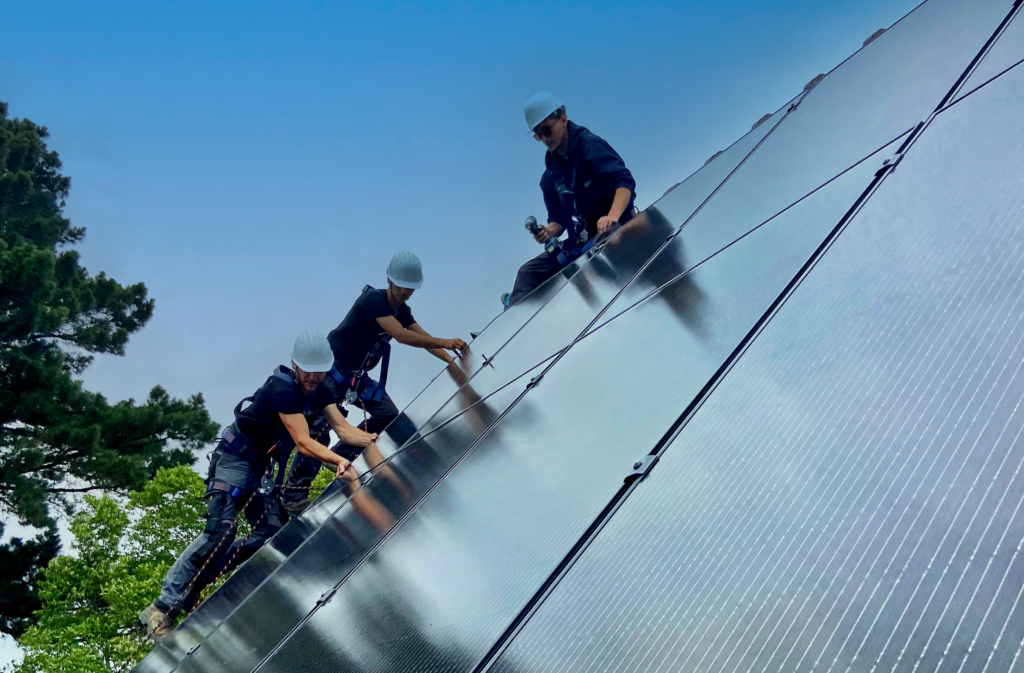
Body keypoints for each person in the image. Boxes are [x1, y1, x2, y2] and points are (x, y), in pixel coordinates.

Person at [139, 332, 379, 639]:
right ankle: (161, 608)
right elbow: (303, 443)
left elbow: (343, 429)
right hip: (235, 459)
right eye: (308, 369)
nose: (314, 377)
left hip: (261, 468)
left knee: (272, 533)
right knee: (221, 530)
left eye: (320, 370)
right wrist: (339, 462)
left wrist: (372, 440)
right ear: (295, 364)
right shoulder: (281, 388)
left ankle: (191, 594)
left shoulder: (321, 388)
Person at [280, 251, 467, 514]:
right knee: (320, 426)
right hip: (333, 371)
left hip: (357, 377)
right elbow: (401, 336)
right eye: (401, 285)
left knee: (387, 413)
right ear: (389, 279)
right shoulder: (373, 300)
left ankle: (343, 452)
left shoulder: (401, 310)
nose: (405, 292)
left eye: (411, 287)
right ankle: (294, 496)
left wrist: (450, 359)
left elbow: (422, 336)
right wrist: (446, 342)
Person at [506, 92, 637, 308]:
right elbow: (557, 220)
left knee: (603, 250)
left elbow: (624, 182)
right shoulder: (550, 176)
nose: (545, 138)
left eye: (547, 130)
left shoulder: (590, 146)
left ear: (563, 119)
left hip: (614, 229)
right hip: (584, 238)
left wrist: (611, 217)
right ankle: (513, 325)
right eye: (539, 135)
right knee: (527, 273)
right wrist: (547, 232)